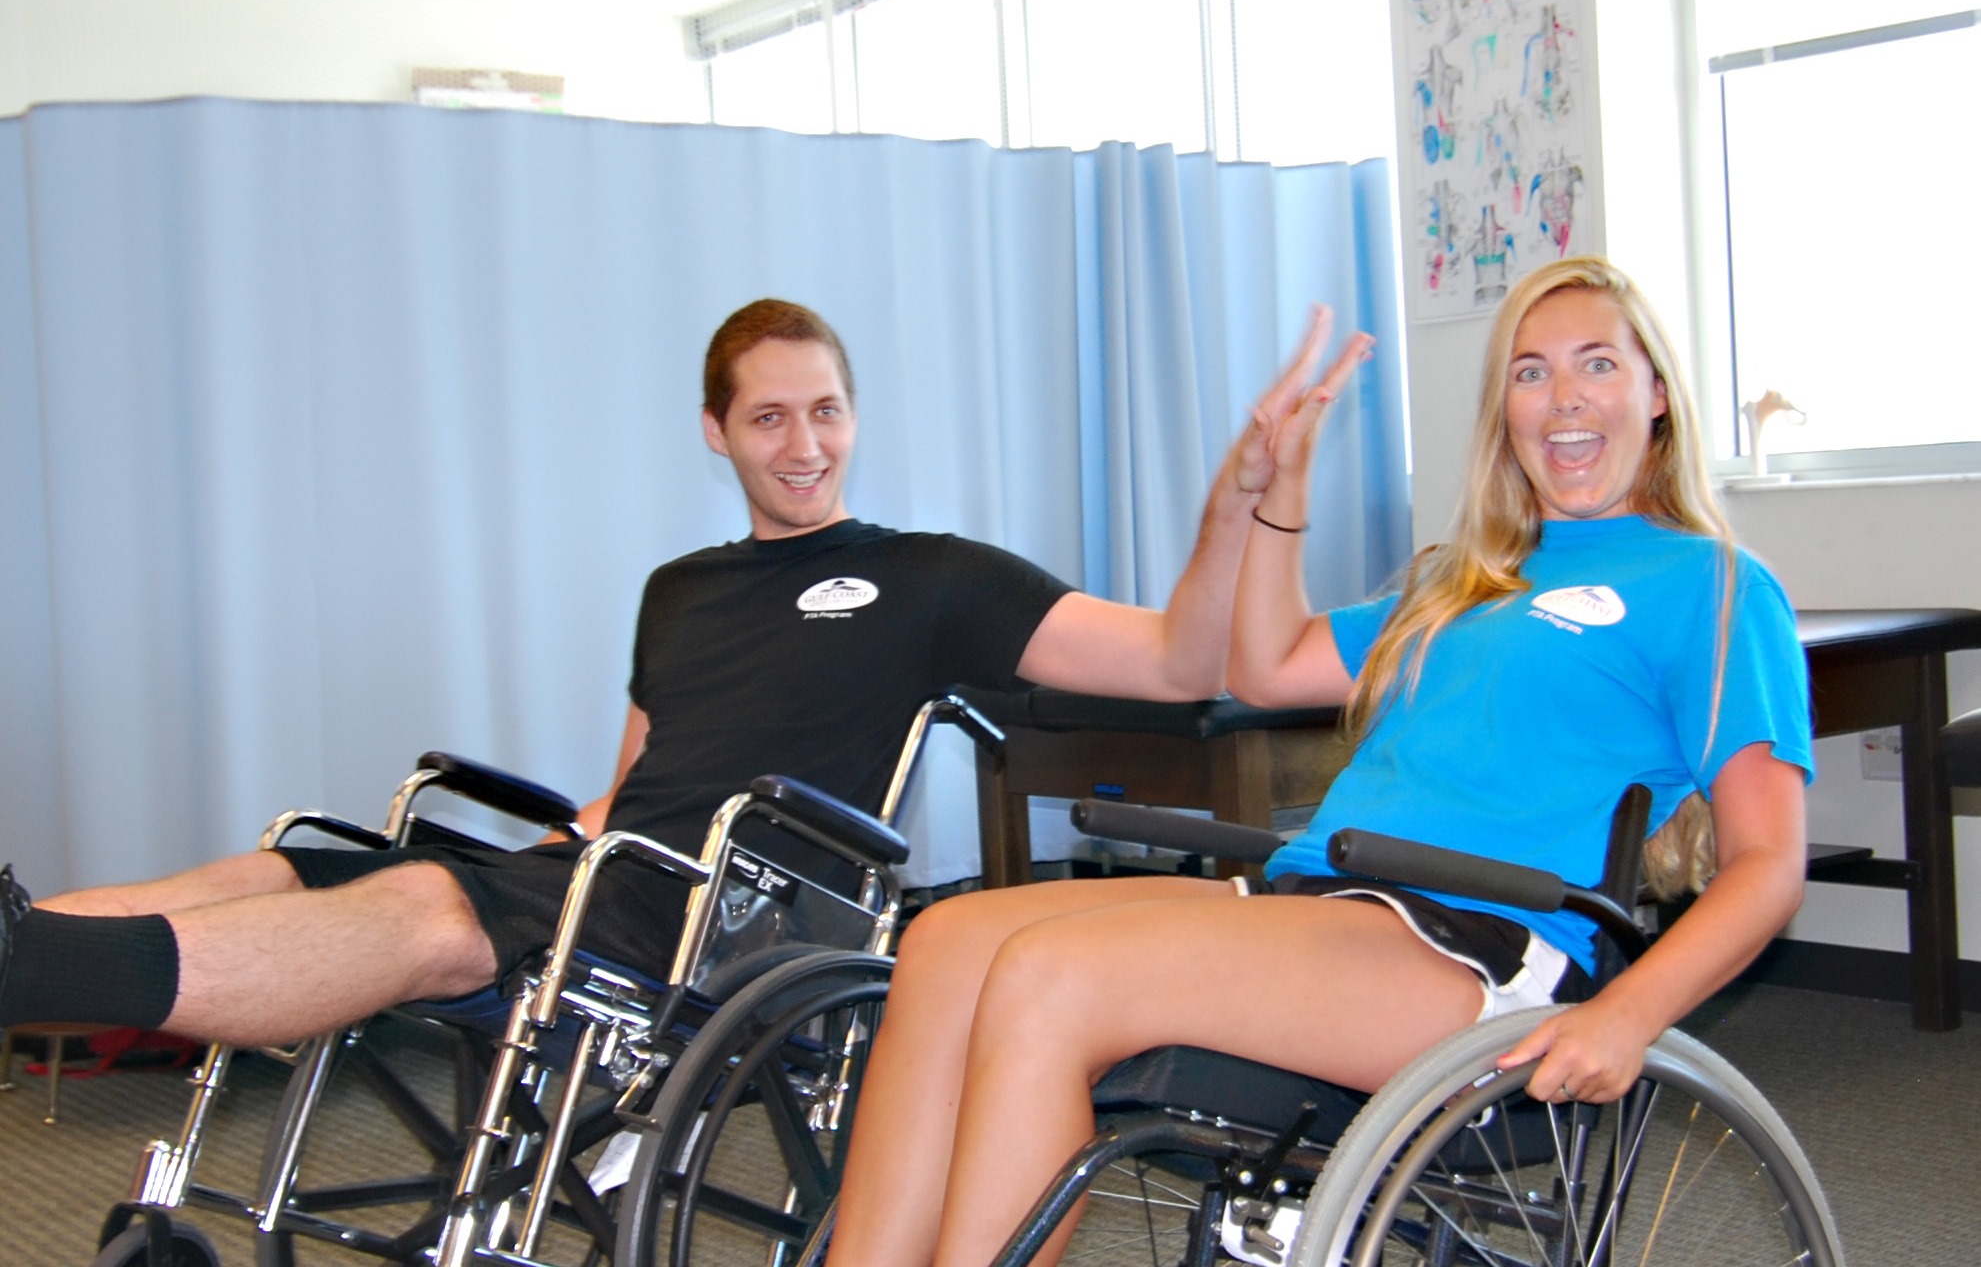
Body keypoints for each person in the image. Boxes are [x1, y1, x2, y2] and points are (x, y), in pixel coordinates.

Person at [596, 255, 1813, 1267]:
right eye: (1529, 372)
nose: (1562, 398)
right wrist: (1266, 493)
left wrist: (1625, 1014)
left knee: (1051, 976)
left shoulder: (1711, 588)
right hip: (1315, 903)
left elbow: (1765, 863)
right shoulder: (1463, 579)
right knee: (944, 944)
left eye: (1595, 364)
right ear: (1502, 414)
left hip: (1473, 946)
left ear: (1653, 395)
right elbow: (1260, 664)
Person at [0, 299, 1357, 1048]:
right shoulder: (679, 589)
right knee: (294, 859)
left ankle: (45, 965)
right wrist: (556, 838)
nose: (804, 441)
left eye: (824, 409)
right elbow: (629, 783)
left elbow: (1181, 663)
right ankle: (29, 934)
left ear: (853, 413)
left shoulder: (937, 576)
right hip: (618, 871)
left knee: (420, 910)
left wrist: (1236, 499)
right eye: (769, 416)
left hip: (739, 912)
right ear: (716, 432)